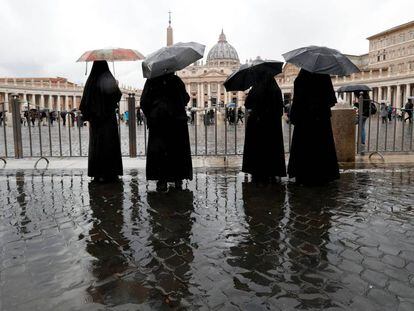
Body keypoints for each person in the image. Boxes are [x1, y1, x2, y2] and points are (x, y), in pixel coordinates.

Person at [140, 73, 192, 192]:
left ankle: (162, 180)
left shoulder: (151, 81)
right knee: (177, 151)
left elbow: (143, 102)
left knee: (160, 151)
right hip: (177, 122)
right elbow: (186, 99)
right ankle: (177, 179)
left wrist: (151, 115)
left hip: (158, 122)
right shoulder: (176, 80)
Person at [287, 69, 339, 185]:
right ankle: (322, 174)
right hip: (321, 119)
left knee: (304, 147)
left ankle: (304, 173)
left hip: (304, 120)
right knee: (322, 146)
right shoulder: (324, 76)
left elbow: (297, 100)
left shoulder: (301, 78)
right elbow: (331, 101)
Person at [79, 60, 123, 182]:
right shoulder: (109, 78)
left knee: (97, 145)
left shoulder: (91, 81)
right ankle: (111, 172)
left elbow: (85, 102)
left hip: (96, 121)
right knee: (110, 145)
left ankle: (97, 173)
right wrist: (115, 85)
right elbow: (117, 96)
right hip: (108, 119)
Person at [242, 73, 286, 183]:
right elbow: (280, 109)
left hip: (257, 123)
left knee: (257, 147)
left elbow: (248, 104)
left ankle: (257, 170)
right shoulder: (276, 89)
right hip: (272, 124)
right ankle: (272, 170)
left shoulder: (256, 88)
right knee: (272, 147)